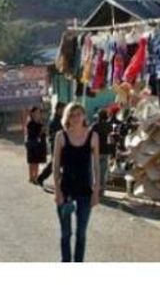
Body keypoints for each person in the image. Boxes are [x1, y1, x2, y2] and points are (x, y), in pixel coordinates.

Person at [52, 103, 99, 262]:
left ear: (84, 116)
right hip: (66, 191)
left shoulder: (93, 137)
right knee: (66, 234)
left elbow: (97, 166)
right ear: (67, 118)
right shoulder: (61, 136)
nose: (76, 118)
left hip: (85, 192)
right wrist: (57, 191)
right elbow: (56, 165)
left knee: (81, 234)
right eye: (72, 115)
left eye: (79, 114)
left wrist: (96, 191)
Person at [35, 104, 65, 188]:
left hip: (63, 146)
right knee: (54, 164)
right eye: (63, 109)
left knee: (61, 164)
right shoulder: (54, 121)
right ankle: (41, 178)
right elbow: (52, 134)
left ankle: (62, 182)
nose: (63, 111)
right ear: (58, 109)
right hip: (56, 146)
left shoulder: (61, 120)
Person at [25, 105, 48, 184]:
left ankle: (36, 176)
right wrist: (41, 131)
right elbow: (32, 134)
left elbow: (43, 133)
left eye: (39, 112)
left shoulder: (40, 121)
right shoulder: (30, 122)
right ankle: (32, 177)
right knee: (32, 161)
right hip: (32, 143)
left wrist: (43, 132)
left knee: (37, 161)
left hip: (39, 144)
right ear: (32, 113)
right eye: (36, 112)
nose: (38, 114)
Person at [91, 109, 111, 195]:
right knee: (103, 172)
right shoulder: (109, 126)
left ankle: (95, 189)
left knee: (95, 172)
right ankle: (102, 191)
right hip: (106, 151)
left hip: (96, 151)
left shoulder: (95, 126)